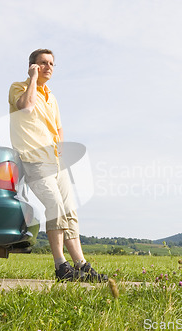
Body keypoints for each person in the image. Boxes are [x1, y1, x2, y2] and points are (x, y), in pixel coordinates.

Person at [8, 49, 107, 282]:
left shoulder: (52, 96)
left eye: (51, 63)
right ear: (32, 66)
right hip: (34, 158)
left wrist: (61, 148)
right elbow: (26, 107)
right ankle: (60, 266)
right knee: (55, 207)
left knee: (69, 210)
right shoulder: (19, 87)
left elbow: (58, 127)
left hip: (55, 161)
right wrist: (33, 79)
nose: (48, 67)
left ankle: (81, 265)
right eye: (42, 63)